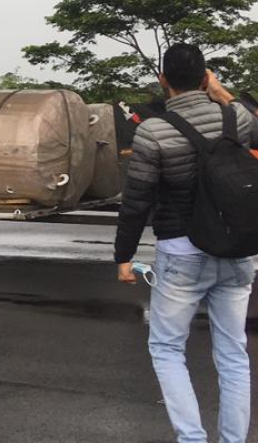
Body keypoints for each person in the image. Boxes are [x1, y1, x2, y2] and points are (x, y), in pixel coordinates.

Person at [114, 43, 256, 443]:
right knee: (233, 354)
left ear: (163, 80)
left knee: (167, 348)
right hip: (238, 248)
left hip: (182, 252)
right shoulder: (236, 117)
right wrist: (223, 94)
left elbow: (137, 200)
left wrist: (124, 256)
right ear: (206, 76)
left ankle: (192, 438)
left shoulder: (154, 131)